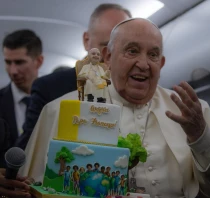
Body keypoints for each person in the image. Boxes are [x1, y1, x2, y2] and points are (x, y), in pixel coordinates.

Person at [19, 18, 210, 198]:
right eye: (132, 51)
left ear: (161, 64)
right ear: (108, 58)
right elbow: (30, 188)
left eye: (153, 55)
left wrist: (199, 136)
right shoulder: (62, 110)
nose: (143, 64)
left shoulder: (192, 112)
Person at [15, 3, 131, 149]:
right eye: (106, 47)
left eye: (125, 48)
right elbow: (28, 150)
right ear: (86, 41)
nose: (111, 56)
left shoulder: (139, 92)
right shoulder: (50, 89)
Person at [0, 29, 43, 155]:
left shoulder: (54, 102)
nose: (13, 71)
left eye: (19, 62)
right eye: (8, 62)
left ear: (39, 61)